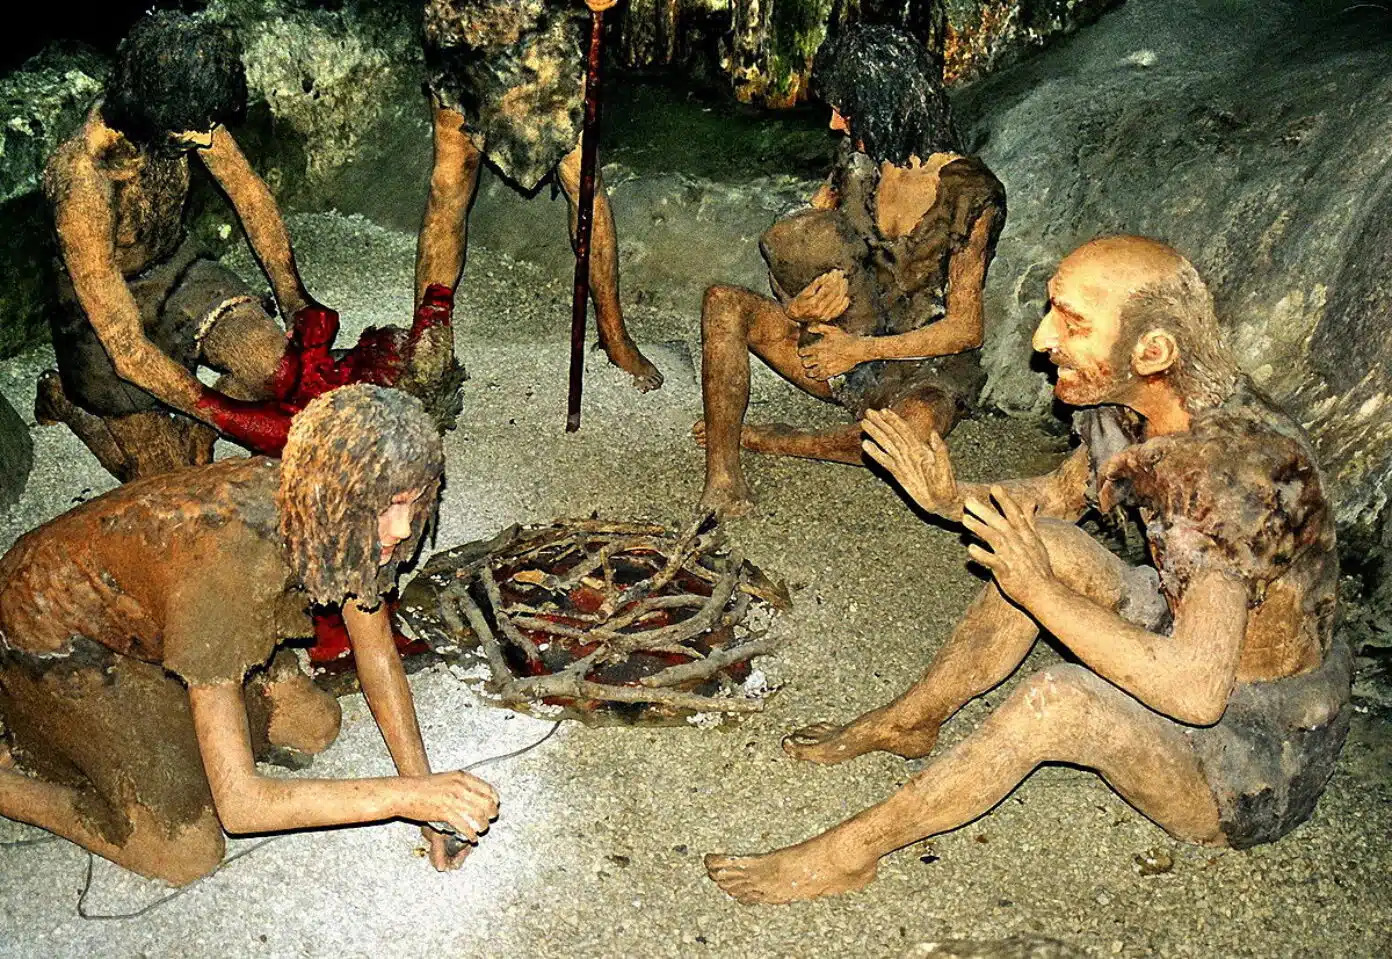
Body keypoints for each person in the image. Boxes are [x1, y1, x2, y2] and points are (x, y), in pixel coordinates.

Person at [705, 236, 1351, 903]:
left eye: (1072, 322)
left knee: (1060, 699)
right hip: (1178, 619)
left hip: (1256, 749)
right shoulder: (1135, 406)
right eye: (1051, 311)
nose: (1042, 339)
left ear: (1151, 350)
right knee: (1039, 538)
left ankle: (851, 851)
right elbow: (1055, 497)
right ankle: (912, 719)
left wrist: (1037, 590)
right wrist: (947, 498)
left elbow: (1196, 693)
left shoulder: (1228, 476)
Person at [0, 385, 496, 884]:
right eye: (386, 507)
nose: (402, 529)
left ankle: (178, 709)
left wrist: (426, 793)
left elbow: (378, 656)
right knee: (184, 852)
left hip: (157, 617)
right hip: (53, 634)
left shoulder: (337, 517)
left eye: (411, 502)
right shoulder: (225, 573)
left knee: (314, 722)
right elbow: (241, 808)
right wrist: (407, 798)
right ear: (336, 497)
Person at [694, 24, 1005, 514]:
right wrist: (793, 305)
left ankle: (793, 441)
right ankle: (723, 476)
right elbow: (792, 246)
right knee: (722, 303)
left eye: (847, 109)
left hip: (921, 367)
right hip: (838, 349)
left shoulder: (972, 193)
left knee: (908, 440)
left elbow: (966, 329)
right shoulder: (857, 162)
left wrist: (859, 351)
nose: (836, 124)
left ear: (887, 103)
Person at [34, 10, 324, 481]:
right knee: (167, 480)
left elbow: (250, 197)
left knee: (276, 366)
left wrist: (295, 300)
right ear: (149, 114)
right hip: (100, 312)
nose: (208, 139)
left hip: (178, 269)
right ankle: (66, 400)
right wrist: (230, 416)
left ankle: (195, 439)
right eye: (197, 130)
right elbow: (126, 349)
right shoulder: (83, 179)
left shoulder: (181, 112)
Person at [417, 0, 662, 391]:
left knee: (582, 178)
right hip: (465, 21)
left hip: (548, 22)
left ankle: (613, 333)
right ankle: (428, 339)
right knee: (448, 182)